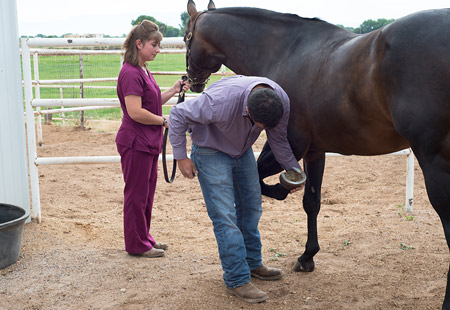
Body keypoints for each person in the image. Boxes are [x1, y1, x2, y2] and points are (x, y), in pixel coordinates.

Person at [169, 75, 304, 303]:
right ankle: (237, 278)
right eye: (260, 126)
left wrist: (294, 171)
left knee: (252, 207)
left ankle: (252, 263)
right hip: (211, 150)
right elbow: (177, 114)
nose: (264, 130)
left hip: (242, 151)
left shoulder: (280, 101)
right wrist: (180, 156)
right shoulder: (218, 102)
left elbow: (278, 140)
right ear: (249, 111)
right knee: (225, 216)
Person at [115, 20, 190, 258]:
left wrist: (175, 89)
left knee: (146, 194)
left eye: (158, 45)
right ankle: (136, 245)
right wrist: (164, 121)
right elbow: (135, 111)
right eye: (154, 44)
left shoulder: (143, 69)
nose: (158, 49)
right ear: (139, 44)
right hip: (136, 141)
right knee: (136, 195)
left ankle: (144, 238)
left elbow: (153, 101)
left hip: (146, 142)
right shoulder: (130, 73)